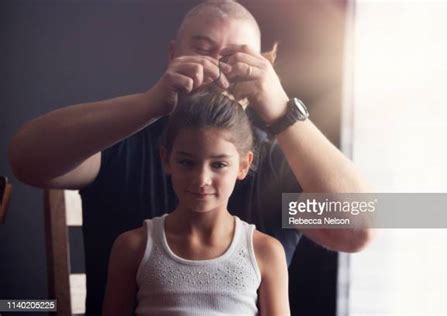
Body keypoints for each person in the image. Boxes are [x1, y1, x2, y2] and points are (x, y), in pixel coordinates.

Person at [8, 1, 372, 314]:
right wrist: (150, 103)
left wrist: (281, 110)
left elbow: (360, 230)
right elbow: (25, 160)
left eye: (237, 55)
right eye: (202, 49)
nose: (218, 67)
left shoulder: (278, 168)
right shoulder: (125, 143)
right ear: (172, 55)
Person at [102, 89, 290, 315]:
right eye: (186, 163)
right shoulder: (134, 247)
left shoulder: (265, 252)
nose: (202, 180)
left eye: (219, 165)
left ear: (243, 165)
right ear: (166, 159)